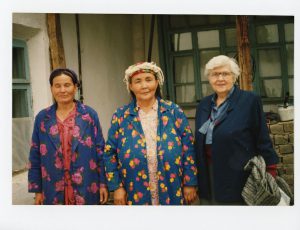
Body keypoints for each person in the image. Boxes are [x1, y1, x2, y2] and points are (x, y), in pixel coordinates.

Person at [103, 62, 198, 205]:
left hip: (172, 185)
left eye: (148, 79)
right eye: (138, 81)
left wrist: (190, 182)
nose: (144, 86)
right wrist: (116, 187)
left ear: (157, 82)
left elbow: (188, 147)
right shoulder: (121, 115)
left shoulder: (173, 111)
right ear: (130, 86)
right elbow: (109, 153)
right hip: (134, 187)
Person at [195, 55, 279, 205]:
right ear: (209, 78)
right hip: (209, 172)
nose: (220, 78)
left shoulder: (249, 100)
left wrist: (270, 169)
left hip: (239, 173)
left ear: (234, 77)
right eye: (215, 74)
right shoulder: (204, 105)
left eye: (225, 74)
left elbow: (262, 137)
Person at [28, 68, 108, 205]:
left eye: (67, 85)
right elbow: (35, 155)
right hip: (52, 187)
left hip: (86, 185)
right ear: (51, 88)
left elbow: (100, 151)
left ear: (75, 87)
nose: (62, 90)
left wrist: (103, 184)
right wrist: (37, 190)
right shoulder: (42, 118)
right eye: (57, 86)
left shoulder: (89, 115)